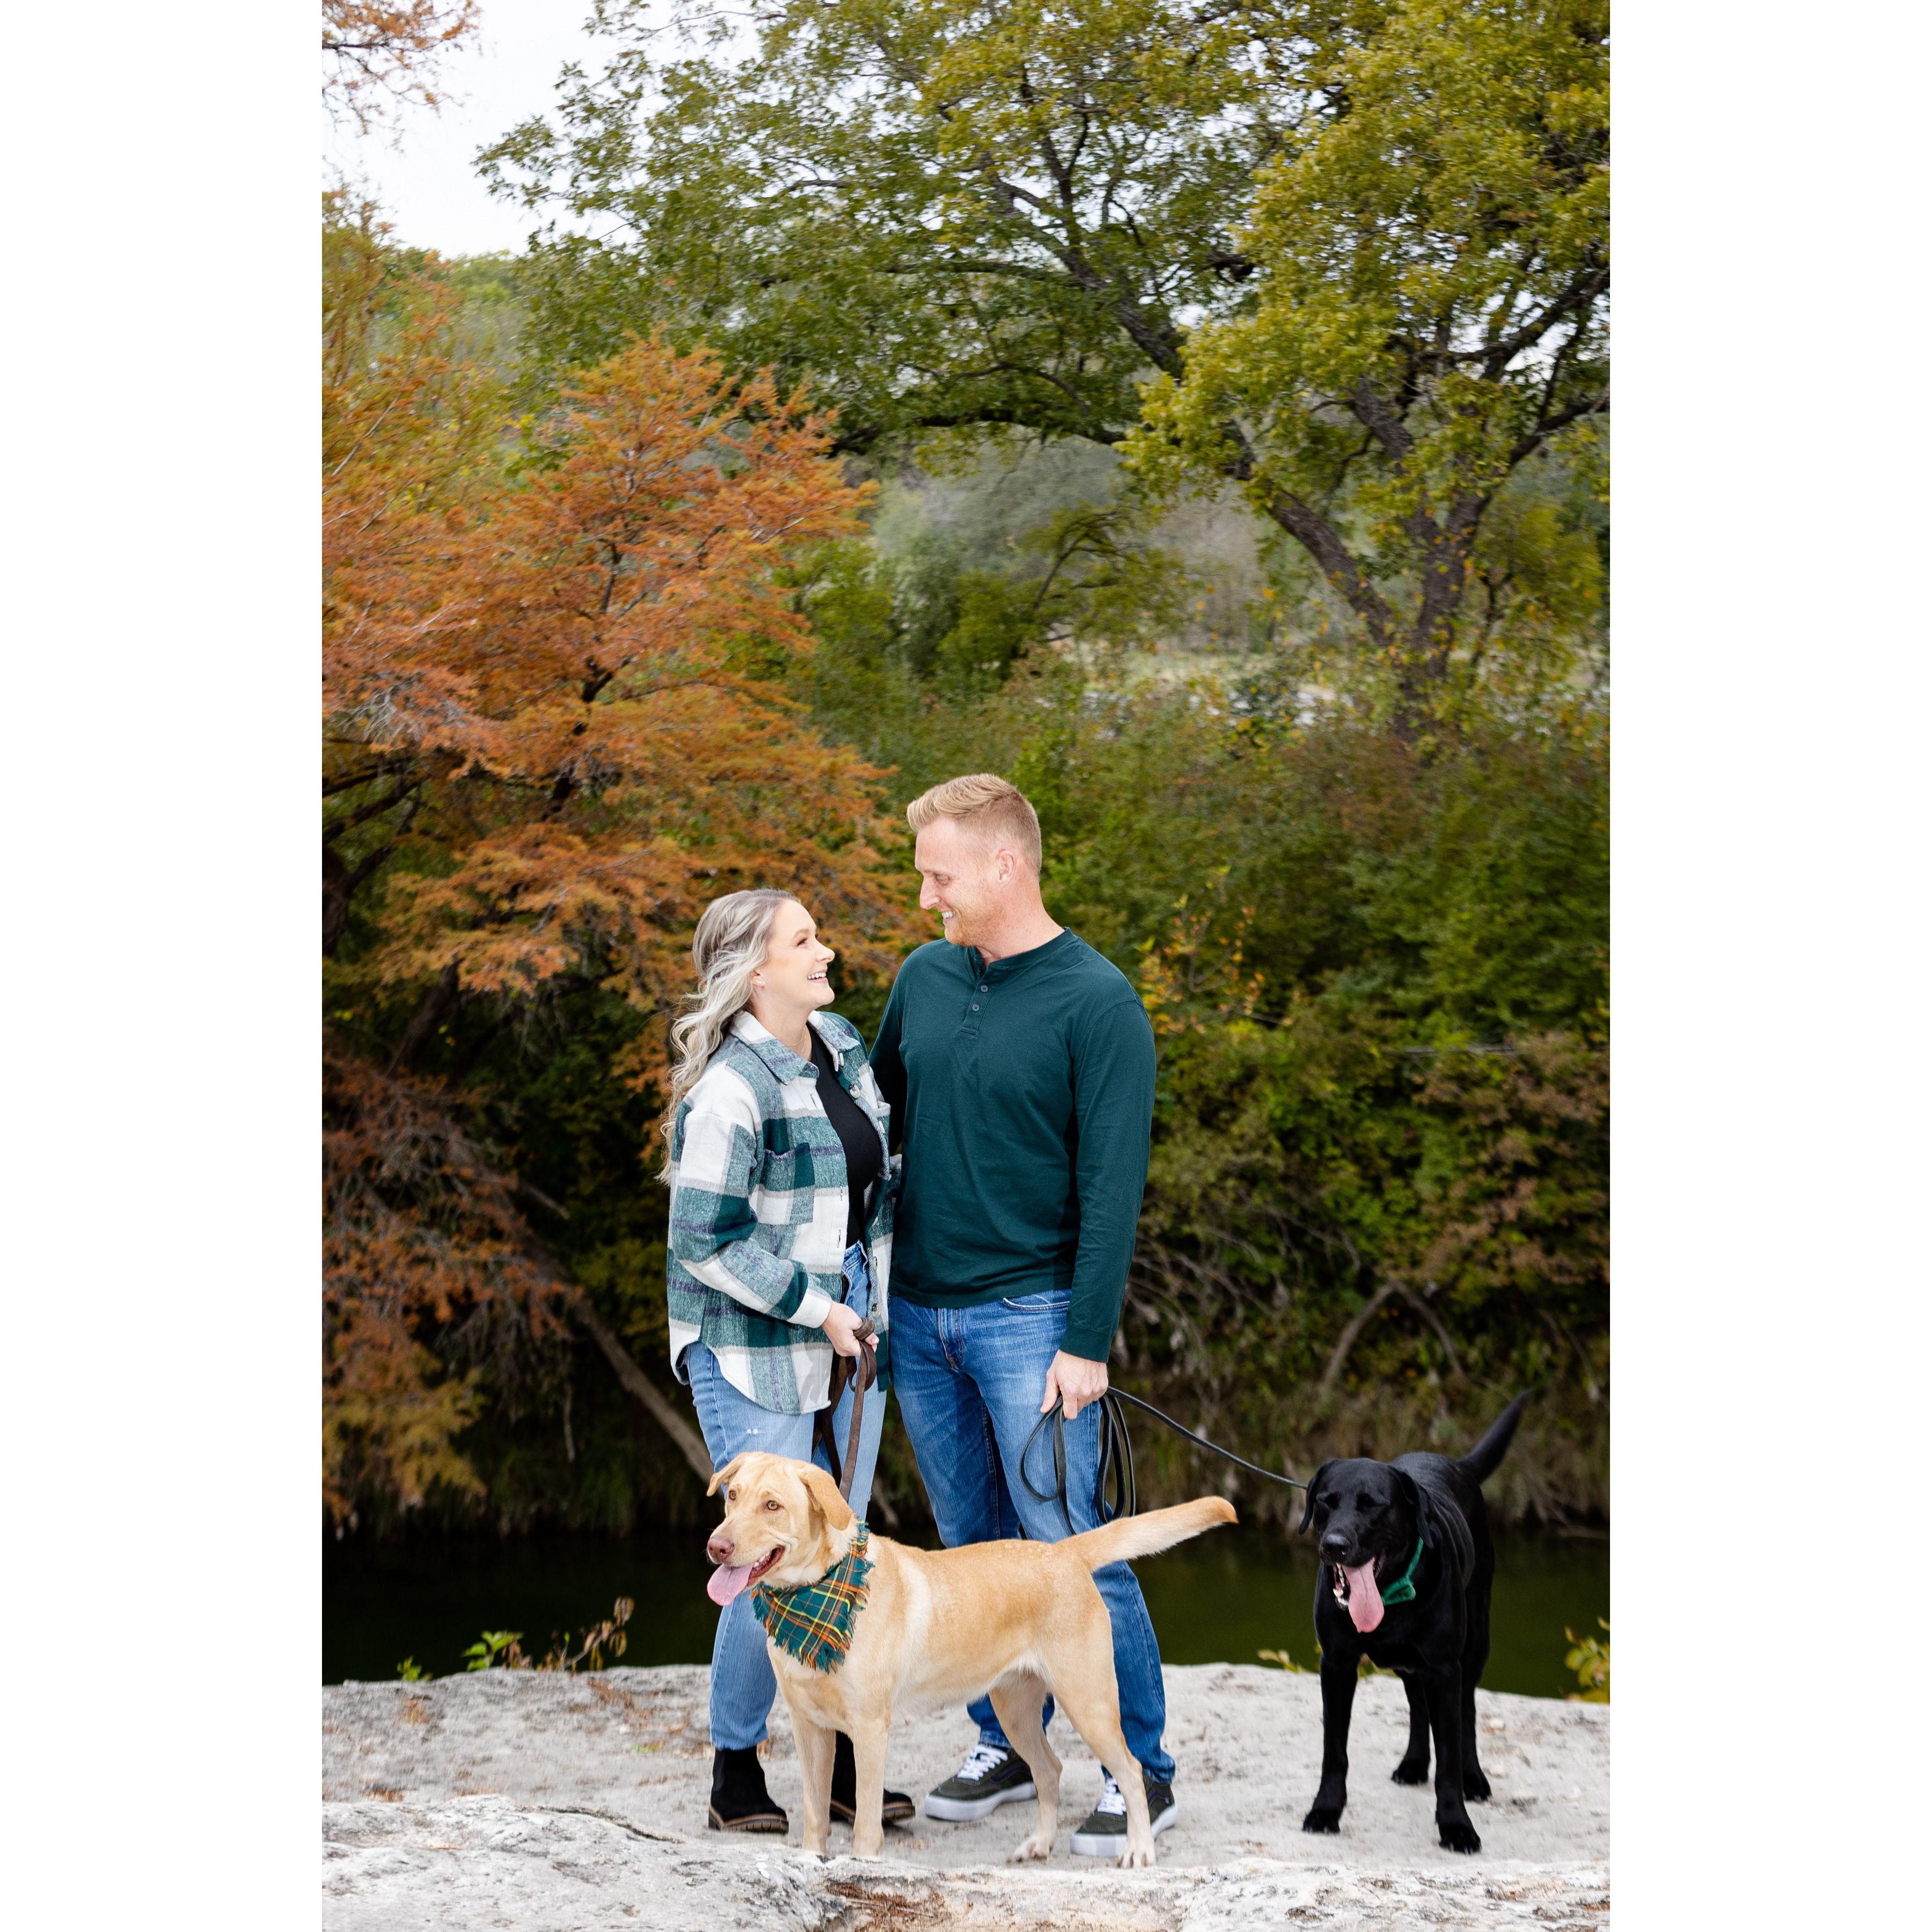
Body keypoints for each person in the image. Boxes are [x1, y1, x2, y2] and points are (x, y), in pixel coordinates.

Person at [870, 774, 1174, 1857]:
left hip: (1032, 1322)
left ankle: (1143, 1768)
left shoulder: (1099, 1003)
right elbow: (875, 1130)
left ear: (1005, 866)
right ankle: (1008, 1744)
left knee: (1066, 1549)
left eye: (939, 875)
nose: (926, 898)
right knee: (971, 1554)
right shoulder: (921, 978)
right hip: (921, 1321)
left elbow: (1113, 1188)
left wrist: (1084, 1342)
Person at [662, 887, 914, 1835]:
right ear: (754, 970)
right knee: (761, 1551)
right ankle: (736, 1772)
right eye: (803, 941)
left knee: (833, 1548)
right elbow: (703, 1239)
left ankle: (844, 1761)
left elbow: (872, 1197)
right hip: (751, 1346)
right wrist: (821, 1309)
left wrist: (867, 1311)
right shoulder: (730, 1089)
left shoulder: (841, 1043)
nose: (826, 950)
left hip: (854, 1338)